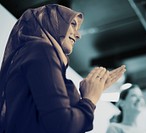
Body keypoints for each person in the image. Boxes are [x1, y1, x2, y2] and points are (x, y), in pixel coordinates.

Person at [0, 4, 126, 133]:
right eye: (73, 24)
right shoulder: (42, 49)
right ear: (52, 21)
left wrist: (94, 90)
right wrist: (90, 99)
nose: (78, 35)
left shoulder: (32, 52)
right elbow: (63, 125)